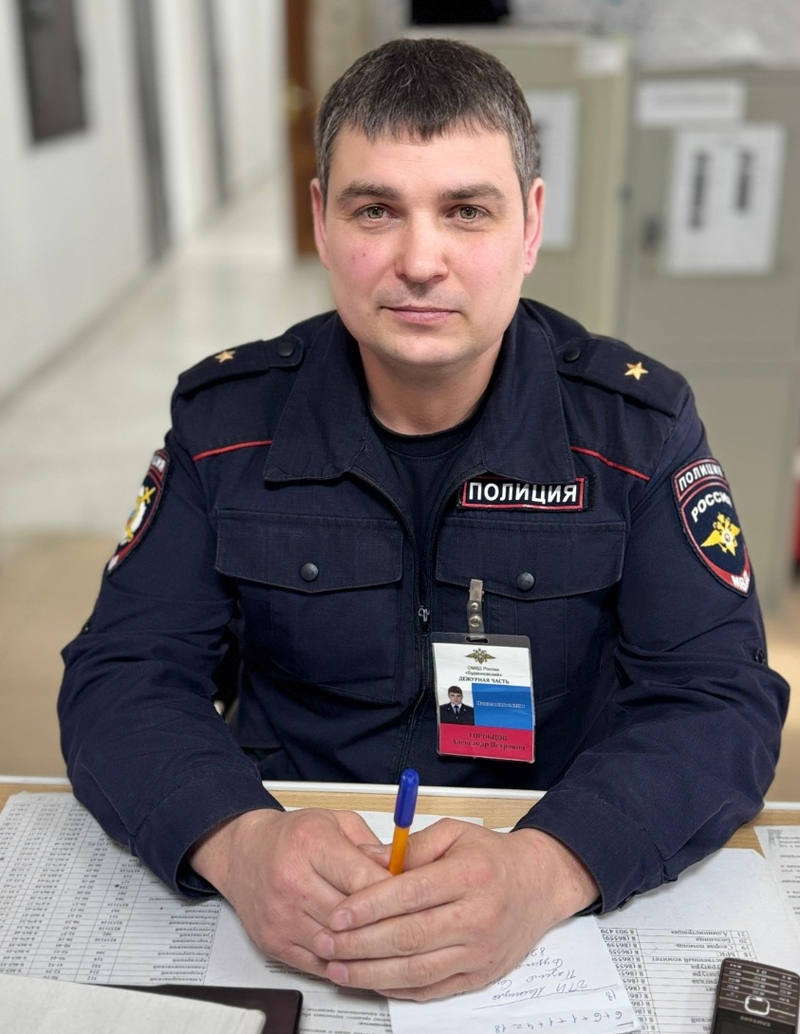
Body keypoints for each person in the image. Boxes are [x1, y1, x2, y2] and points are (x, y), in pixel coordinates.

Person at [58, 37, 788, 1003]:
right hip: (288, 874)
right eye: (375, 210)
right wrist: (235, 841)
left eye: (466, 211)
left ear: (530, 225)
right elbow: (121, 673)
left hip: (538, 870)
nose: (419, 262)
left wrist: (553, 868)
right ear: (321, 222)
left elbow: (719, 699)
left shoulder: (634, 433)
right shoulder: (226, 424)